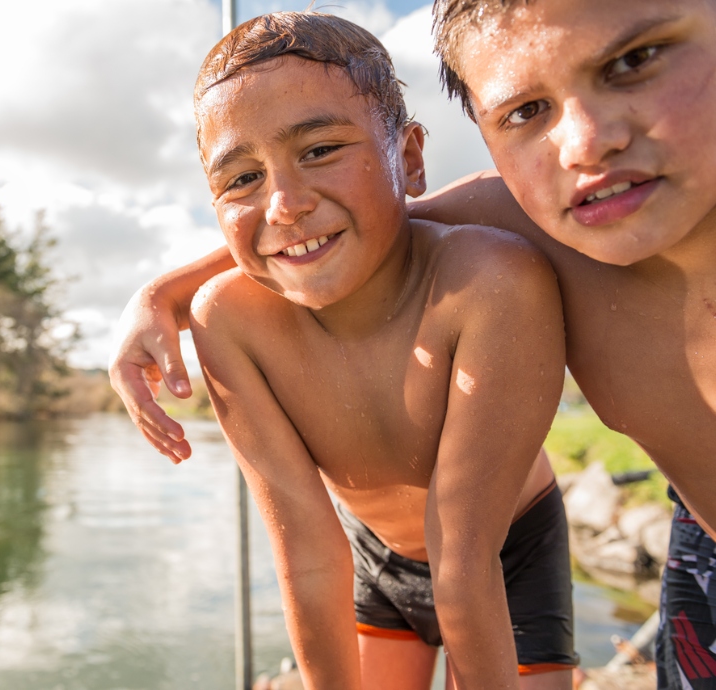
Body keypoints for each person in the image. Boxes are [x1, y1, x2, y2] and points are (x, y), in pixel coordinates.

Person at [110, 2, 716, 687]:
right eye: (525, 112)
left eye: (634, 62)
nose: (585, 142)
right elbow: (359, 229)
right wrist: (162, 293)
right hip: (694, 551)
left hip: (510, 544)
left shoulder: (499, 263)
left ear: (411, 157)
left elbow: (378, 219)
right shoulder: (550, 202)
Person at [171, 12, 576, 690]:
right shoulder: (230, 322)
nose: (286, 205)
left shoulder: (490, 282)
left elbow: (464, 557)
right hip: (376, 558)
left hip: (509, 551)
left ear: (410, 159)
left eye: (320, 149)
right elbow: (306, 551)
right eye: (241, 178)